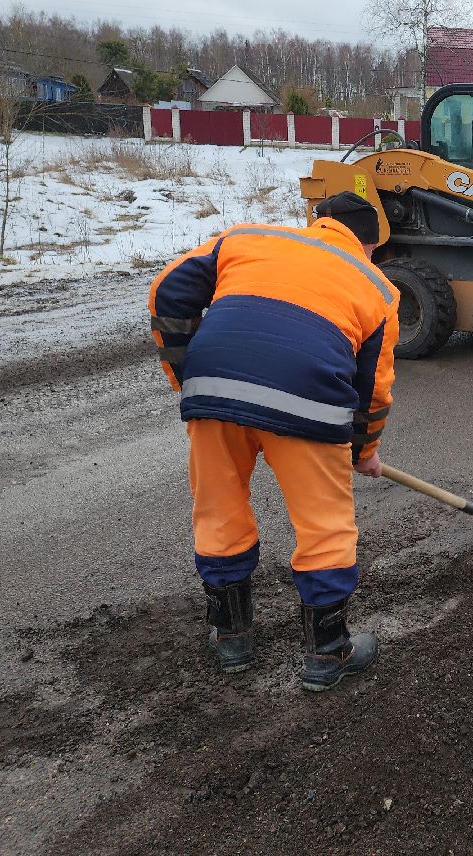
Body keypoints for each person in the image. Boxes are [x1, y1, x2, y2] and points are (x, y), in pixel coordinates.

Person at [148, 191, 399, 692]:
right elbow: (373, 389)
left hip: (214, 391)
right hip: (310, 403)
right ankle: (328, 653)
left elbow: (167, 290)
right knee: (324, 526)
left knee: (219, 512)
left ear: (318, 223)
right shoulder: (377, 288)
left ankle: (231, 638)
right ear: (369, 246)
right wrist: (362, 451)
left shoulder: (246, 238)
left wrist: (187, 377)